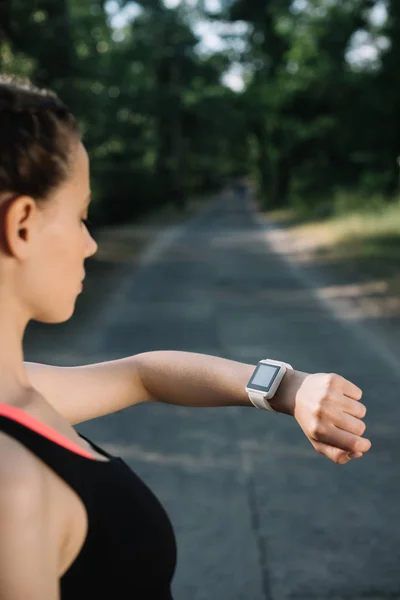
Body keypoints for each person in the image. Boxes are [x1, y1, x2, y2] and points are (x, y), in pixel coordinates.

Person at [0, 75, 370, 600]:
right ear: (21, 225)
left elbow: (143, 374)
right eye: (81, 216)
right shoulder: (10, 489)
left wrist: (288, 388)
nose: (90, 243)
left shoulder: (20, 393)